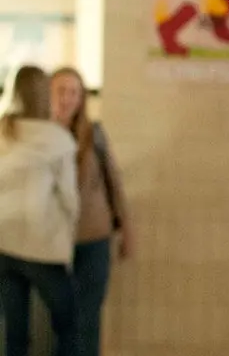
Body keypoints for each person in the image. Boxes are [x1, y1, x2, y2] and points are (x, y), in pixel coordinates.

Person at [50, 66, 133, 356]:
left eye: (74, 92)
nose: (67, 99)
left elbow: (113, 182)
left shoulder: (93, 134)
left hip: (94, 238)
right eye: (61, 91)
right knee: (59, 319)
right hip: (52, 244)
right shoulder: (39, 137)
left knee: (87, 317)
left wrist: (127, 229)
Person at [0, 65, 80, 356]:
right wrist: (69, 234)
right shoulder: (57, 140)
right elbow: (70, 198)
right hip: (43, 245)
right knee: (68, 325)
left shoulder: (4, 132)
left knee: (15, 334)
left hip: (5, 243)